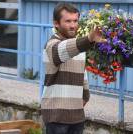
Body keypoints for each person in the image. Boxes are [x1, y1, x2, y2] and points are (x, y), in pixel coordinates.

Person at [41, 2, 106, 134]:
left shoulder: (79, 48)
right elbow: (63, 50)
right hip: (56, 116)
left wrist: (86, 95)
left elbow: (83, 75)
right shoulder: (51, 44)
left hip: (76, 116)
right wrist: (89, 39)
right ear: (56, 23)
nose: (73, 25)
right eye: (68, 21)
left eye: (75, 21)